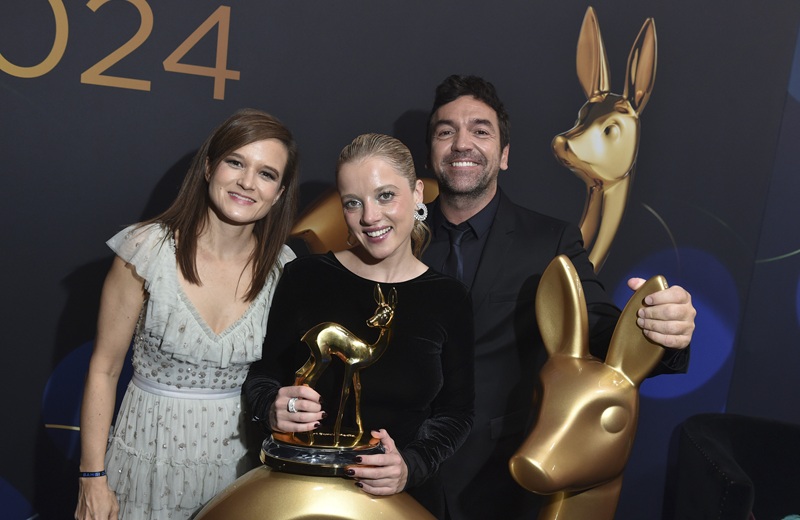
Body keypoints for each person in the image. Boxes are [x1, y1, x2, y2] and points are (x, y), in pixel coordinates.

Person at [421, 75, 697, 519]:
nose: (461, 143)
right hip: (394, 475)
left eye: (480, 130)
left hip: (495, 482)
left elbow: (596, 328)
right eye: (445, 131)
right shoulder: (393, 237)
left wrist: (659, 329)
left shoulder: (549, 241)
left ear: (504, 155)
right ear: (432, 151)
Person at [74, 108, 300, 520]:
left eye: (267, 174)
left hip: (237, 468)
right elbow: (104, 369)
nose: (247, 182)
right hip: (146, 457)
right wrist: (92, 478)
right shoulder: (146, 250)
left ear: (280, 192)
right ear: (210, 166)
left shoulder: (284, 269)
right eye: (236, 162)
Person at [243, 133, 475, 517]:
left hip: (400, 502)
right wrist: (270, 406)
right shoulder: (305, 276)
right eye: (353, 203)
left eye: (385, 195)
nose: (369, 217)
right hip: (299, 497)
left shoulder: (449, 297)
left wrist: (410, 466)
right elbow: (264, 375)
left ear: (417, 193)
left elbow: (457, 412)